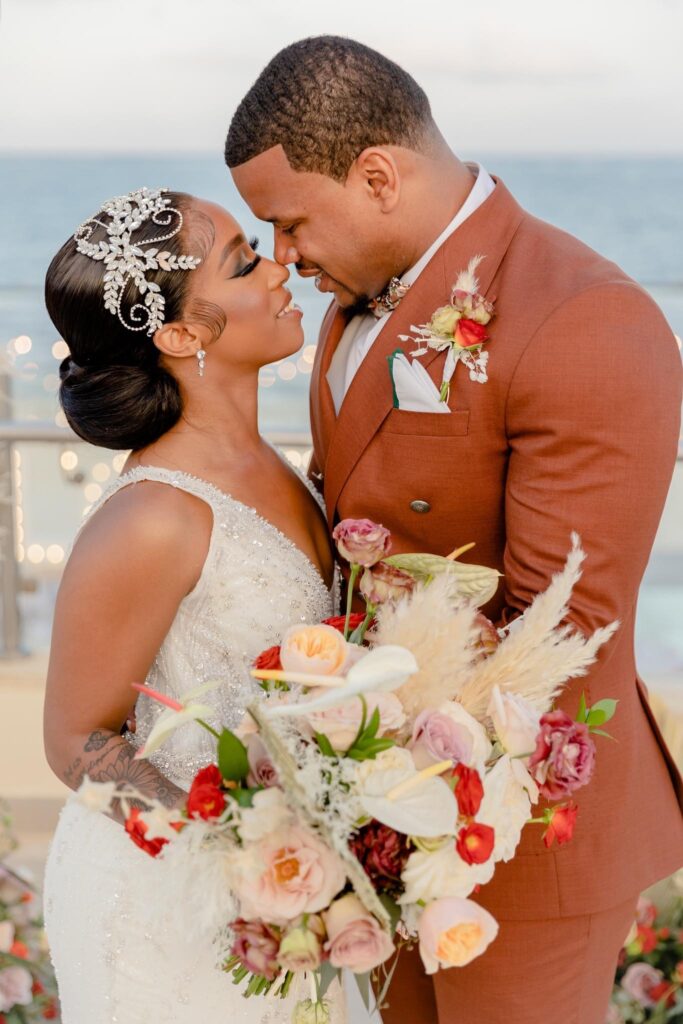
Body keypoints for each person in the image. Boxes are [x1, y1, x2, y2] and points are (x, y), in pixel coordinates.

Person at [226, 36, 683, 1024]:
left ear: (376, 177)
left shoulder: (584, 319)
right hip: (382, 813)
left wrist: (362, 748)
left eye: (290, 222)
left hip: (521, 830)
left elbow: (557, 627)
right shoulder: (356, 299)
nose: (282, 257)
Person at [41, 187, 345, 1023]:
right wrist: (233, 856)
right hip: (167, 910)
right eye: (244, 264)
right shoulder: (154, 517)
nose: (280, 267)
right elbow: (73, 740)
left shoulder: (275, 464)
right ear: (178, 335)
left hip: (277, 895)